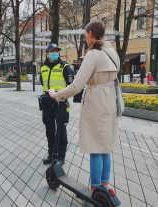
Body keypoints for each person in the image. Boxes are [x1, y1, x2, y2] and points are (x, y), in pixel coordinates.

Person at [49, 21, 119, 191]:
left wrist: (56, 95)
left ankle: (95, 189)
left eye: (86, 33)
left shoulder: (93, 54)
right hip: (110, 100)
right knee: (105, 146)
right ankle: (104, 185)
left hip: (96, 101)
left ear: (90, 34)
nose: (85, 36)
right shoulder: (113, 52)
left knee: (95, 146)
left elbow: (76, 86)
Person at [40, 43, 74, 165]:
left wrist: (58, 93)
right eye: (52, 51)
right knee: (49, 130)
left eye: (56, 51)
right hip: (47, 104)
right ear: (47, 53)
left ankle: (60, 156)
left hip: (61, 103)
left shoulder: (65, 67)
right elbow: (43, 83)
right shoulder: (43, 68)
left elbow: (71, 86)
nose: (55, 53)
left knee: (61, 130)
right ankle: (51, 154)